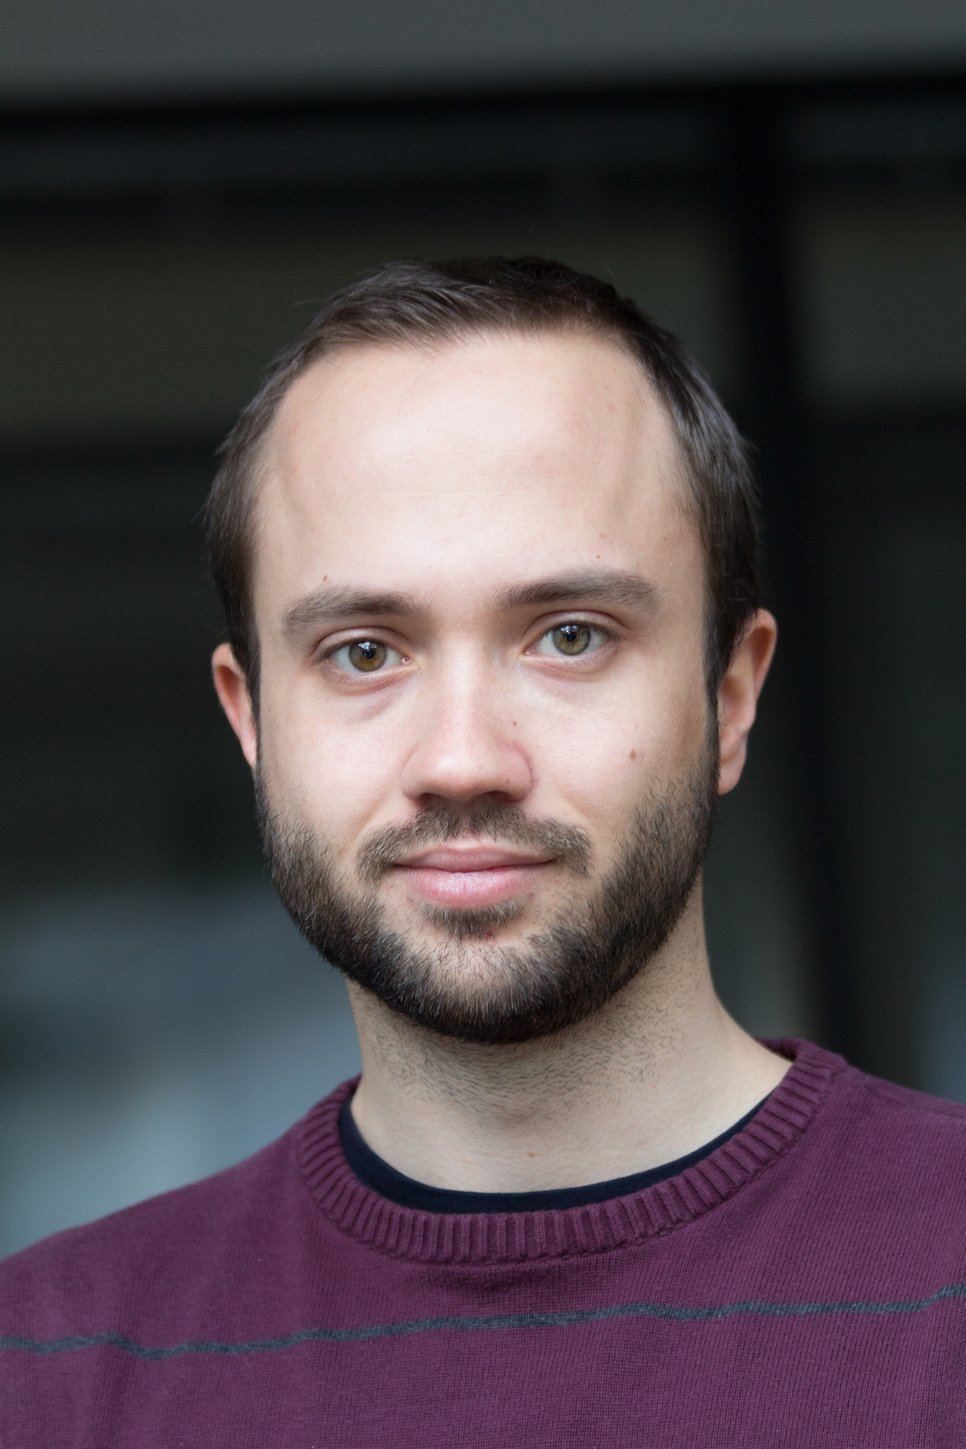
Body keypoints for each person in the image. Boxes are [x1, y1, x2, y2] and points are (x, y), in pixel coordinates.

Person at [2, 257, 964, 1446]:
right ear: (250, 720)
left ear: (730, 695)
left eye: (569, 635)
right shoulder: (46, 1373)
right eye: (364, 651)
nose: (463, 759)